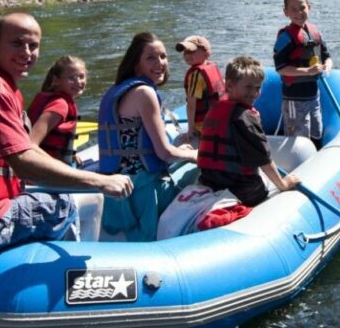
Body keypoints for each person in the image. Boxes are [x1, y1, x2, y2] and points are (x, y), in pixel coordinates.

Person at [0, 13, 132, 265]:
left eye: (33, 45)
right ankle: (81, 277)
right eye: (16, 43)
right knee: (75, 203)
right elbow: (24, 162)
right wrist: (99, 182)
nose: (26, 52)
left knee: (46, 196)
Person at [97, 32, 199, 241]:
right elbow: (164, 152)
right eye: (151, 58)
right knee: (200, 168)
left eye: (163, 56)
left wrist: (181, 150)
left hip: (116, 187)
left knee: (185, 156)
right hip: (142, 190)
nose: (160, 63)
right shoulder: (145, 93)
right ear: (136, 65)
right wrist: (196, 155)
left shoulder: (119, 90)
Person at [198, 56, 300, 206]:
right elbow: (264, 160)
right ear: (230, 86)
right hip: (243, 191)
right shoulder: (245, 118)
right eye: (248, 87)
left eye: (258, 88)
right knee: (269, 182)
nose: (254, 93)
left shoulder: (215, 108)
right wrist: (283, 185)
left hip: (211, 183)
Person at [273, 0, 333, 149]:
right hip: (294, 98)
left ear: (309, 8)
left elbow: (327, 56)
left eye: (302, 8)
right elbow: (281, 68)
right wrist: (308, 72)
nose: (299, 12)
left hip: (313, 95)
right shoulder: (285, 37)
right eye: (293, 9)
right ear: (286, 12)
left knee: (316, 132)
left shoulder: (315, 33)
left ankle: (317, 159)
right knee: (299, 139)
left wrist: (328, 65)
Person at [27, 55, 87, 165]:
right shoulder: (60, 105)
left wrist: (71, 155)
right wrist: (59, 167)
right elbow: (30, 143)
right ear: (56, 80)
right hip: (42, 171)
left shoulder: (59, 100)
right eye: (71, 78)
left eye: (81, 76)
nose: (78, 82)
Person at [174, 35, 224, 145]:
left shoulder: (195, 74)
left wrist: (190, 130)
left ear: (205, 52)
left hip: (202, 126)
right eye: (185, 52)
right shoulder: (212, 67)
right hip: (217, 121)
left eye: (192, 51)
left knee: (178, 142)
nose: (187, 55)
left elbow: (191, 105)